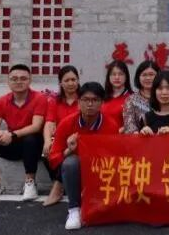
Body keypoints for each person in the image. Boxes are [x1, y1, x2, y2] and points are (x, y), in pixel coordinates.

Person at [48, 82, 120, 230]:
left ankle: (96, 200)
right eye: (85, 100)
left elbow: (117, 157)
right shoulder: (67, 123)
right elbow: (54, 158)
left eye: (95, 100)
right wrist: (69, 150)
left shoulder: (111, 125)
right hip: (78, 171)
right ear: (79, 102)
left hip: (100, 170)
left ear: (102, 103)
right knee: (70, 163)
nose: (90, 104)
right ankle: (74, 210)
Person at [0, 64, 48, 201]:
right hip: (12, 143)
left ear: (30, 80)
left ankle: (30, 183)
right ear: (8, 81)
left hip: (34, 146)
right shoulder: (2, 100)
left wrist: (12, 134)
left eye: (23, 78)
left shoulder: (39, 98)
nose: (19, 81)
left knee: (31, 139)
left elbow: (36, 126)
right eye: (14, 79)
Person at [42, 65, 80, 206]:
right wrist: (47, 141)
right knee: (47, 151)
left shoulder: (83, 99)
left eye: (73, 79)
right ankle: (62, 182)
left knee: (70, 153)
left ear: (78, 81)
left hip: (78, 139)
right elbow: (49, 122)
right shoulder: (54, 101)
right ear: (60, 83)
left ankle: (57, 187)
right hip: (61, 139)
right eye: (66, 80)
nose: (71, 83)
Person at [122, 60, 160, 133]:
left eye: (151, 74)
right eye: (144, 75)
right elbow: (129, 127)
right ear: (138, 77)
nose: (148, 78)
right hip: (140, 138)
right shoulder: (131, 100)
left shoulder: (164, 97)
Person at [100, 60, 132, 129]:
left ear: (126, 76)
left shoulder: (132, 98)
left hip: (123, 135)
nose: (117, 77)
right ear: (108, 77)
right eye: (113, 74)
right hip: (103, 135)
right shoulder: (102, 98)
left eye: (120, 74)